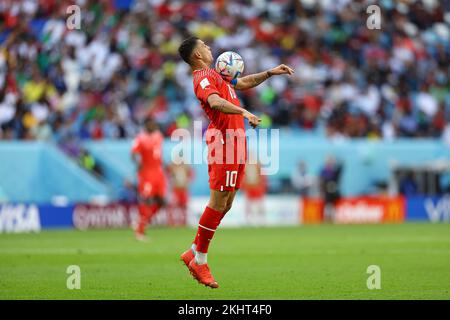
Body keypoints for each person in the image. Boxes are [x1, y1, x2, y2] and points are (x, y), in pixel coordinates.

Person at [177, 36, 294, 288]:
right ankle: (200, 259)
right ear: (197, 55)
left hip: (236, 141)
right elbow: (215, 101)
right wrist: (243, 111)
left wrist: (270, 73)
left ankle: (193, 251)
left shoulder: (217, 75)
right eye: (204, 46)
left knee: (227, 203)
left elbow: (241, 83)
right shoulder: (203, 78)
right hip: (224, 143)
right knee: (218, 201)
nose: (209, 47)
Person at [131, 117, 166, 242]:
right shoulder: (140, 138)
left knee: (162, 201)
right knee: (147, 200)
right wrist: (138, 162)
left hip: (159, 173)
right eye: (151, 124)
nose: (153, 125)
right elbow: (134, 153)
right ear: (146, 125)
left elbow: (158, 154)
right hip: (147, 173)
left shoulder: (158, 136)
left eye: (154, 123)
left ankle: (142, 222)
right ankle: (140, 230)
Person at [166, 153, 193, 226]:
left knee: (184, 206)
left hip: (183, 189)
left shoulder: (186, 167)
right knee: (173, 206)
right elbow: (167, 173)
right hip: (175, 189)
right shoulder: (172, 166)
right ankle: (171, 222)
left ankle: (184, 222)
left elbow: (191, 175)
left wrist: (188, 181)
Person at [242, 161, 267, 226]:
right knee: (250, 209)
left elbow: (263, 181)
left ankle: (261, 222)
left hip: (258, 193)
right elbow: (243, 182)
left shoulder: (258, 168)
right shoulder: (246, 169)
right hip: (250, 192)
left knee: (259, 209)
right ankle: (250, 221)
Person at [319, 155, 343, 223]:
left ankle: (332, 218)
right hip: (327, 191)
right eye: (329, 160)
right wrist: (322, 190)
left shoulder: (334, 170)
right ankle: (327, 218)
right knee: (327, 205)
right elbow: (322, 181)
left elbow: (339, 173)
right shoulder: (324, 170)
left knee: (333, 205)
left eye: (331, 160)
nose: (330, 162)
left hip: (333, 191)